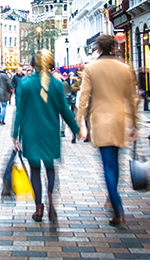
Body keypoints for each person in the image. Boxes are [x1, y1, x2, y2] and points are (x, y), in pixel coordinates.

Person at [12, 49, 81, 223]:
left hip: (30, 132)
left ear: (33, 65)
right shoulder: (57, 85)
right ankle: (50, 196)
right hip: (50, 131)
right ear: (51, 65)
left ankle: (38, 207)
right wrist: (76, 129)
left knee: (35, 170)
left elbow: (20, 110)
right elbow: (64, 110)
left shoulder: (25, 84)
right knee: (50, 168)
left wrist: (15, 135)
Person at [77, 35, 138, 227]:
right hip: (119, 120)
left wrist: (81, 123)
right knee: (115, 163)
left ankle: (117, 207)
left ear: (98, 48)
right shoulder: (125, 68)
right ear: (113, 47)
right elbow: (132, 98)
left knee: (108, 164)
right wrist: (135, 124)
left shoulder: (91, 68)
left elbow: (83, 98)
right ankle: (113, 199)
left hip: (101, 121)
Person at [52, 70, 70, 137]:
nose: (55, 76)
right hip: (54, 103)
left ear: (60, 75)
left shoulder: (64, 83)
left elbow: (67, 91)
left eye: (56, 74)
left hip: (63, 102)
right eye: (54, 75)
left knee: (63, 117)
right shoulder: (51, 84)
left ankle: (63, 130)